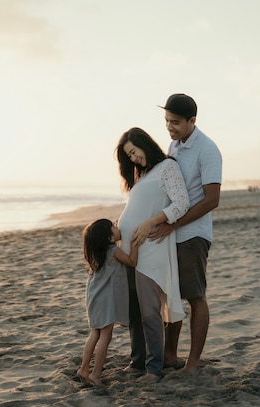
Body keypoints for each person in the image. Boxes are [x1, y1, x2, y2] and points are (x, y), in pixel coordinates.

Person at [149, 93, 223, 375]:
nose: (170, 127)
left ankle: (192, 363)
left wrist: (174, 223)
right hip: (172, 232)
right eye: (167, 121)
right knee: (171, 295)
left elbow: (211, 199)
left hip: (193, 234)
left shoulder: (208, 149)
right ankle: (170, 356)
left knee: (195, 296)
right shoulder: (174, 145)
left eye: (176, 122)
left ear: (192, 120)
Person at [116, 127, 190, 384]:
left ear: (144, 144)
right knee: (134, 310)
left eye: (134, 152)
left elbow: (181, 203)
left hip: (151, 248)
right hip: (130, 250)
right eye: (129, 156)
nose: (134, 159)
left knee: (149, 311)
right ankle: (137, 361)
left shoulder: (168, 167)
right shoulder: (143, 175)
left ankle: (154, 368)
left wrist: (150, 223)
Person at [77, 218, 140, 386]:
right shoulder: (113, 251)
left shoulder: (96, 254)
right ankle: (96, 374)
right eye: (113, 226)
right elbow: (132, 262)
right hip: (105, 301)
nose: (117, 227)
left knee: (95, 334)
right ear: (109, 238)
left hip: (93, 298)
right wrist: (134, 243)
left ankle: (84, 368)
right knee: (106, 335)